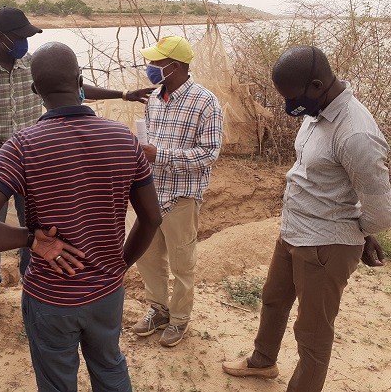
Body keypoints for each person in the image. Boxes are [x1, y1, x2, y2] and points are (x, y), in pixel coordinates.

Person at [0, 41, 163, 391]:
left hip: (51, 296)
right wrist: (120, 264)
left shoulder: (21, 146)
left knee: (56, 381)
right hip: (106, 290)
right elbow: (152, 218)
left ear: (35, 90)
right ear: (80, 81)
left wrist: (30, 239)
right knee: (110, 367)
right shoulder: (123, 139)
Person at [0, 6, 154, 319]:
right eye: (20, 37)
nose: (25, 44)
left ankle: (29, 283)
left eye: (28, 38)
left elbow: (72, 89)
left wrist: (124, 94)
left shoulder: (31, 64)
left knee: (37, 230)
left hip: (35, 162)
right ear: (0, 36)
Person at [222, 45, 391, 392]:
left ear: (316, 85)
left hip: (325, 246)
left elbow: (381, 210)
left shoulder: (356, 134)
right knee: (273, 299)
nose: (289, 107)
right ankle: (262, 362)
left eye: (292, 97)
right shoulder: (318, 108)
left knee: (312, 335)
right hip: (294, 231)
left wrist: (357, 232)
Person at [131, 35, 224, 347]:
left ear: (176, 66)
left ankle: (180, 319)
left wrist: (161, 156)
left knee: (182, 263)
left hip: (181, 197)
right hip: (149, 195)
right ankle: (158, 309)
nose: (151, 67)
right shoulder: (155, 100)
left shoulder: (205, 102)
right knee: (147, 255)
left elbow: (209, 153)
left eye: (157, 62)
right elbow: (149, 144)